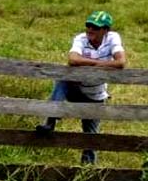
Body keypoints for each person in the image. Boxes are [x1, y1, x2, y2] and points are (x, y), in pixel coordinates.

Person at [35, 10, 126, 164]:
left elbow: (121, 62)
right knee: (63, 78)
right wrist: (101, 64)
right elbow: (72, 59)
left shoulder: (113, 38)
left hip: (95, 94)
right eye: (88, 25)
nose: (90, 29)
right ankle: (50, 120)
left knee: (90, 135)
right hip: (76, 88)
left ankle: (87, 169)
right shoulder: (80, 38)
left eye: (95, 27)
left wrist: (90, 64)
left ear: (106, 30)